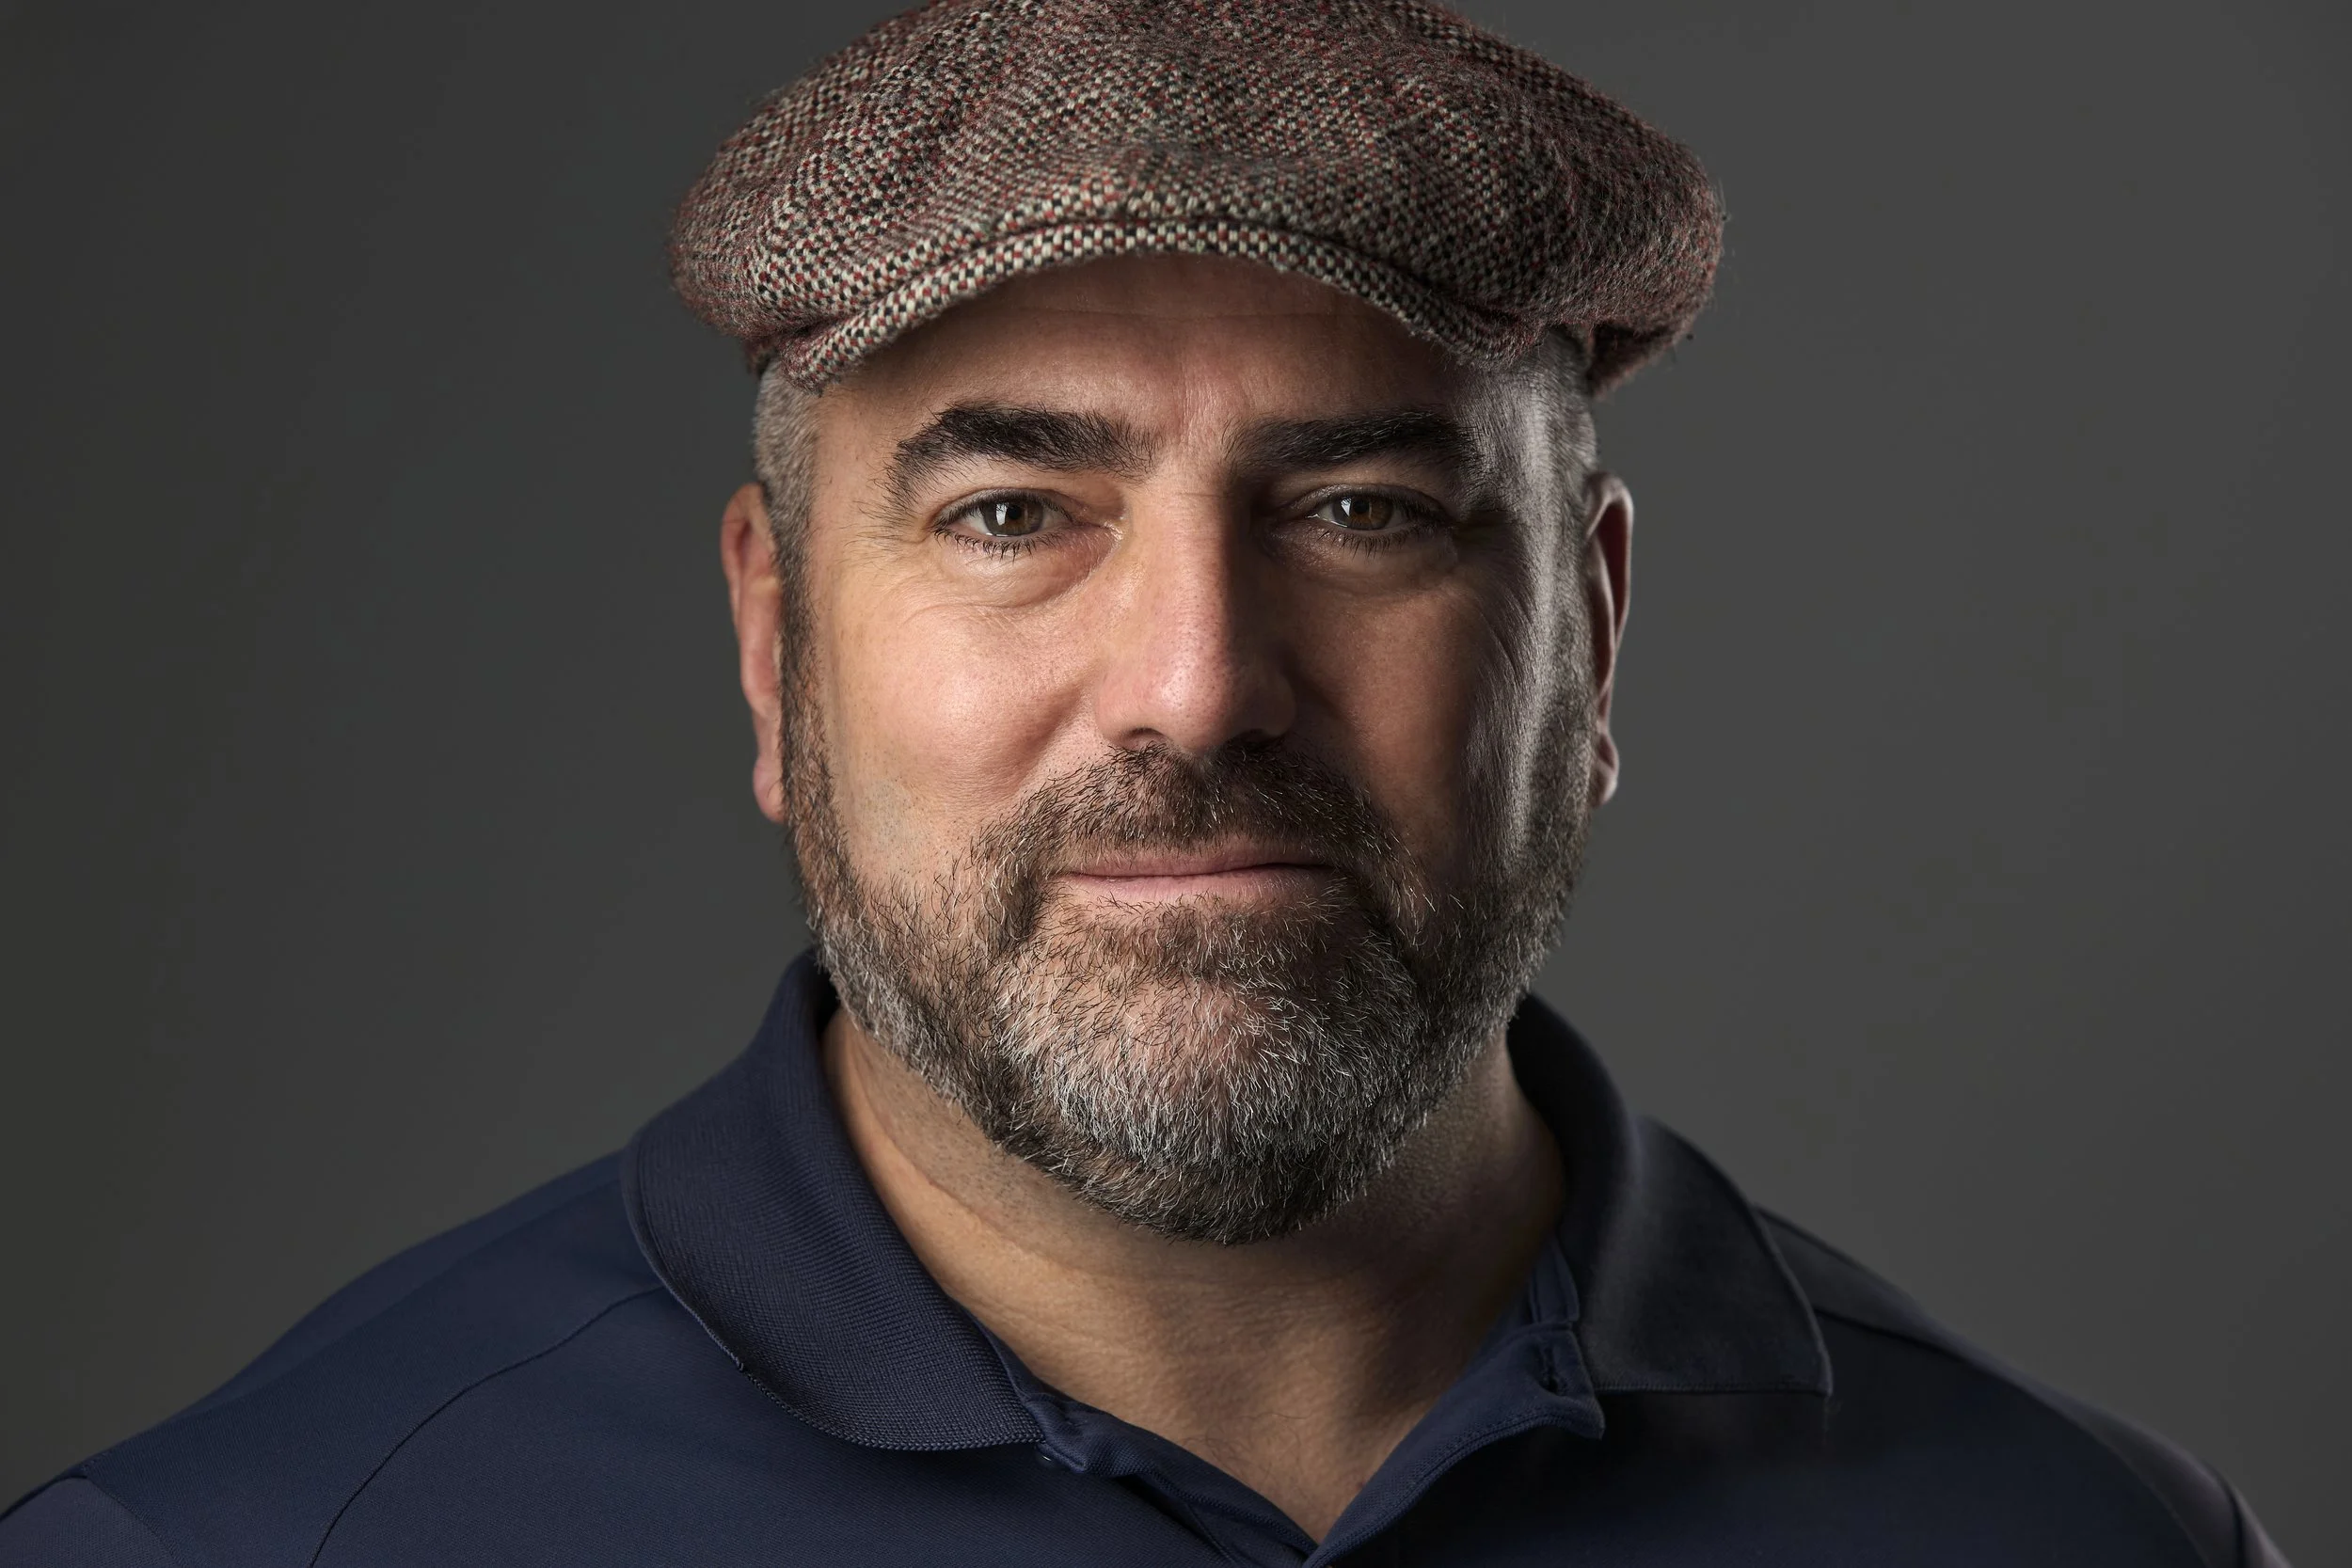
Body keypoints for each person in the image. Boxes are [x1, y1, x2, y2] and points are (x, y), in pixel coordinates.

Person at [0, 1, 2288, 1562]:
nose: (1195, 690)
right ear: (778, 635)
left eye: (1364, 510)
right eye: (1013, 514)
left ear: (1586, 629)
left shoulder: (2071, 1532)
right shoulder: (259, 1541)